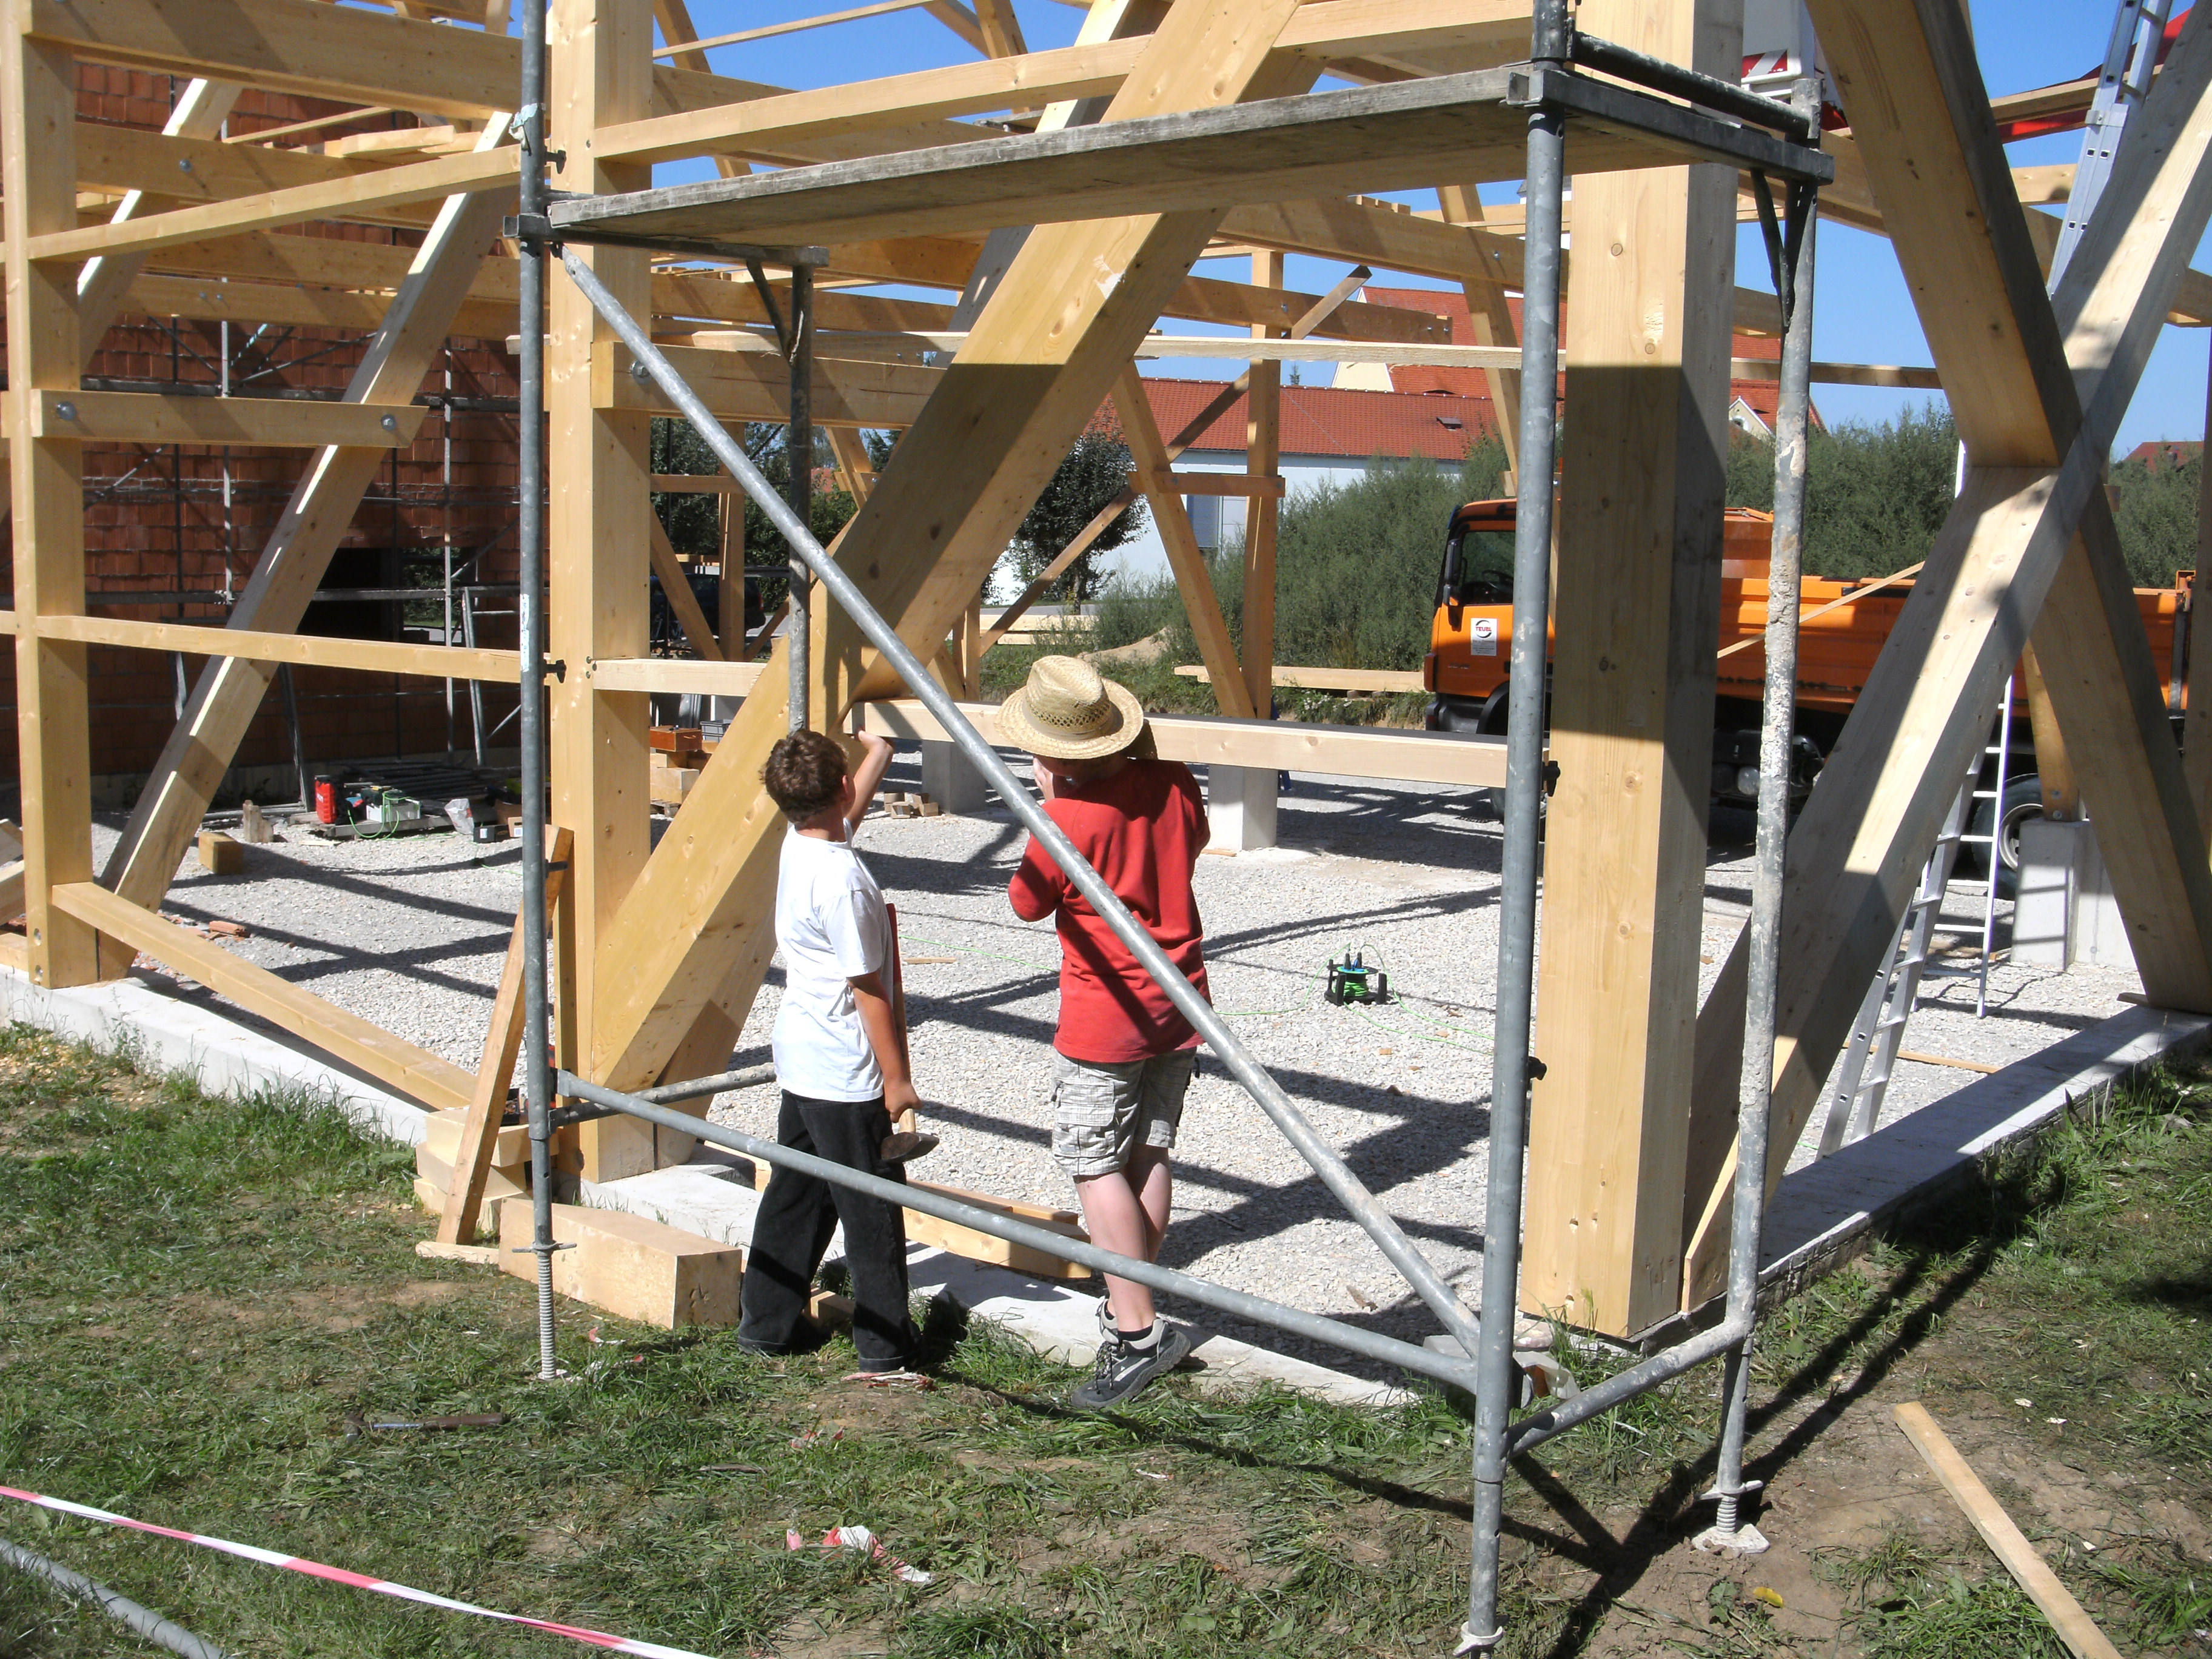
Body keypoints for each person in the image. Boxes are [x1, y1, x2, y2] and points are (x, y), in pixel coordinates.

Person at [1004, 655, 1210, 1409]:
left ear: (1051, 753)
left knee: (1094, 1165)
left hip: (1104, 1016)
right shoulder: (1174, 782)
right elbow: (1191, 838)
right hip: (1178, 1002)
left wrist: (1047, 807)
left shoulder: (1063, 822)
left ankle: (1137, 1334)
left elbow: (1026, 902)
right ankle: (1134, 1302)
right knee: (1148, 1151)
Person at [739, 727, 931, 1375]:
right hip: (847, 1069)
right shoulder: (845, 883)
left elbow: (841, 818)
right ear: (843, 788)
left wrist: (880, 754)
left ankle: (765, 1325)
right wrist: (896, 1079)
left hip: (803, 1054)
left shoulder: (800, 843)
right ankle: (886, 1348)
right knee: (870, 1208)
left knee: (795, 1193)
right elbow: (869, 990)